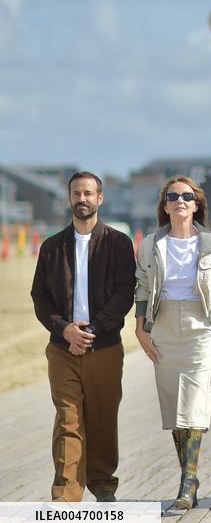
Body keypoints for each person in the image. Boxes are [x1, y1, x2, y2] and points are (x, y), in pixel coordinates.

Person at [30, 171, 136, 502]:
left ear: (100, 198)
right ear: (69, 198)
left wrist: (92, 330)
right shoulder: (51, 247)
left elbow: (124, 294)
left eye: (89, 193)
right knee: (68, 418)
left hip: (104, 346)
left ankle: (103, 485)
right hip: (62, 348)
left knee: (103, 417)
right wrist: (64, 328)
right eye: (77, 193)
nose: (83, 199)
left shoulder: (118, 243)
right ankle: (66, 494)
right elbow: (40, 296)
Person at [134, 176, 211, 509]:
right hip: (162, 326)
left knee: (193, 404)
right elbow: (143, 288)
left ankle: (187, 482)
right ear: (165, 205)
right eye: (173, 196)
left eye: (187, 196)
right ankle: (189, 473)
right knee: (174, 407)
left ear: (196, 204)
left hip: (199, 326)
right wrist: (140, 327)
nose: (180, 200)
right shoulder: (150, 245)